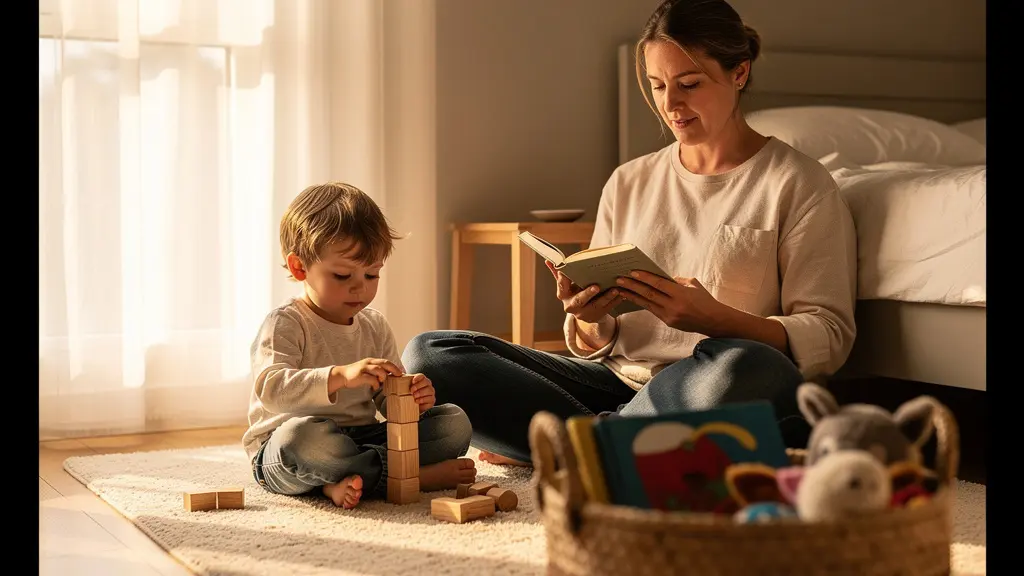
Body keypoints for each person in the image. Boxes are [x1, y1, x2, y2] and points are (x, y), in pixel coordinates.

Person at [402, 0, 857, 467]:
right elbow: (602, 340)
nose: (670, 105)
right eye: (658, 86)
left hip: (713, 384)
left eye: (689, 84)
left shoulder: (799, 184)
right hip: (615, 385)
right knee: (432, 353)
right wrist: (588, 315)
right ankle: (614, 448)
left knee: (750, 364)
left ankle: (573, 449)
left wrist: (715, 319)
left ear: (739, 73)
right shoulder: (629, 181)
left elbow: (829, 336)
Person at [243, 182, 477, 508]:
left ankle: (346, 478)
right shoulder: (285, 323)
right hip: (291, 443)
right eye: (342, 276)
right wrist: (340, 376)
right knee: (300, 444)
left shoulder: (375, 325)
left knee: (454, 423)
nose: (360, 289)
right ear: (300, 267)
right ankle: (411, 475)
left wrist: (411, 397)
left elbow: (386, 401)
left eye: (372, 275)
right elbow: (272, 389)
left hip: (361, 439)